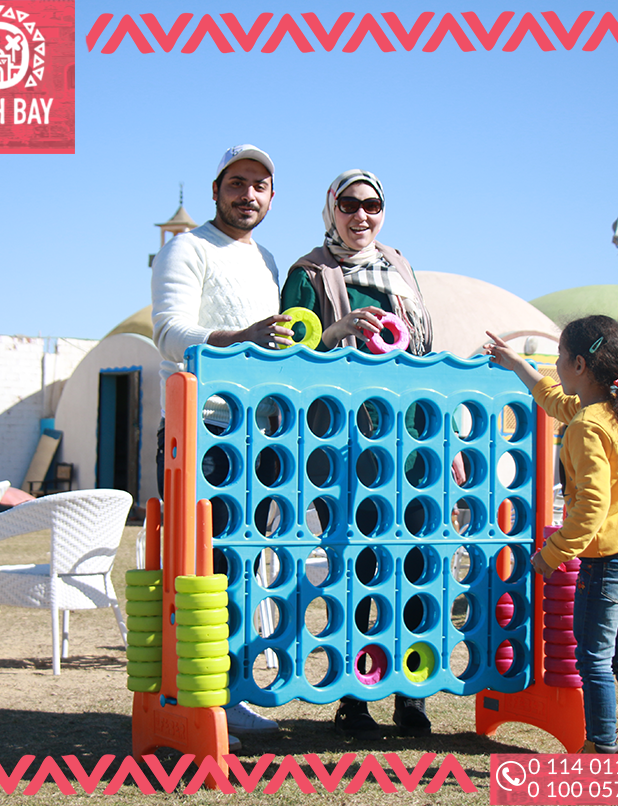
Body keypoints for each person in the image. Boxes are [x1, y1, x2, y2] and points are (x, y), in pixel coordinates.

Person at [281, 169, 434, 738]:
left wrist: (445, 438)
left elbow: (426, 353)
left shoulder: (400, 268)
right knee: (363, 570)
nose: (361, 215)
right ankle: (355, 697)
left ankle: (411, 693)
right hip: (347, 448)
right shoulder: (308, 273)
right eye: (348, 204)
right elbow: (287, 357)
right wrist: (333, 331)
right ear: (331, 209)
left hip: (413, 445)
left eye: (371, 204)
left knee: (415, 567)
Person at [151, 144, 293, 739]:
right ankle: (193, 702)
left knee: (241, 570)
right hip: (202, 433)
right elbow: (168, 333)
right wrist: (239, 337)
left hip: (259, 437)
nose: (247, 194)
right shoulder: (185, 248)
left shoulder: (268, 260)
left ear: (272, 197)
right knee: (200, 570)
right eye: (237, 183)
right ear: (216, 190)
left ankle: (226, 696)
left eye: (259, 185)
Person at [485, 315, 618, 754]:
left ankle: (601, 750)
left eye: (561, 357)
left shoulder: (587, 426)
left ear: (580, 365)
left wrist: (550, 555)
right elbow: (552, 398)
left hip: (607, 562)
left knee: (593, 659)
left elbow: (590, 509)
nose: (557, 365)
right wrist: (518, 365)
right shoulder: (610, 410)